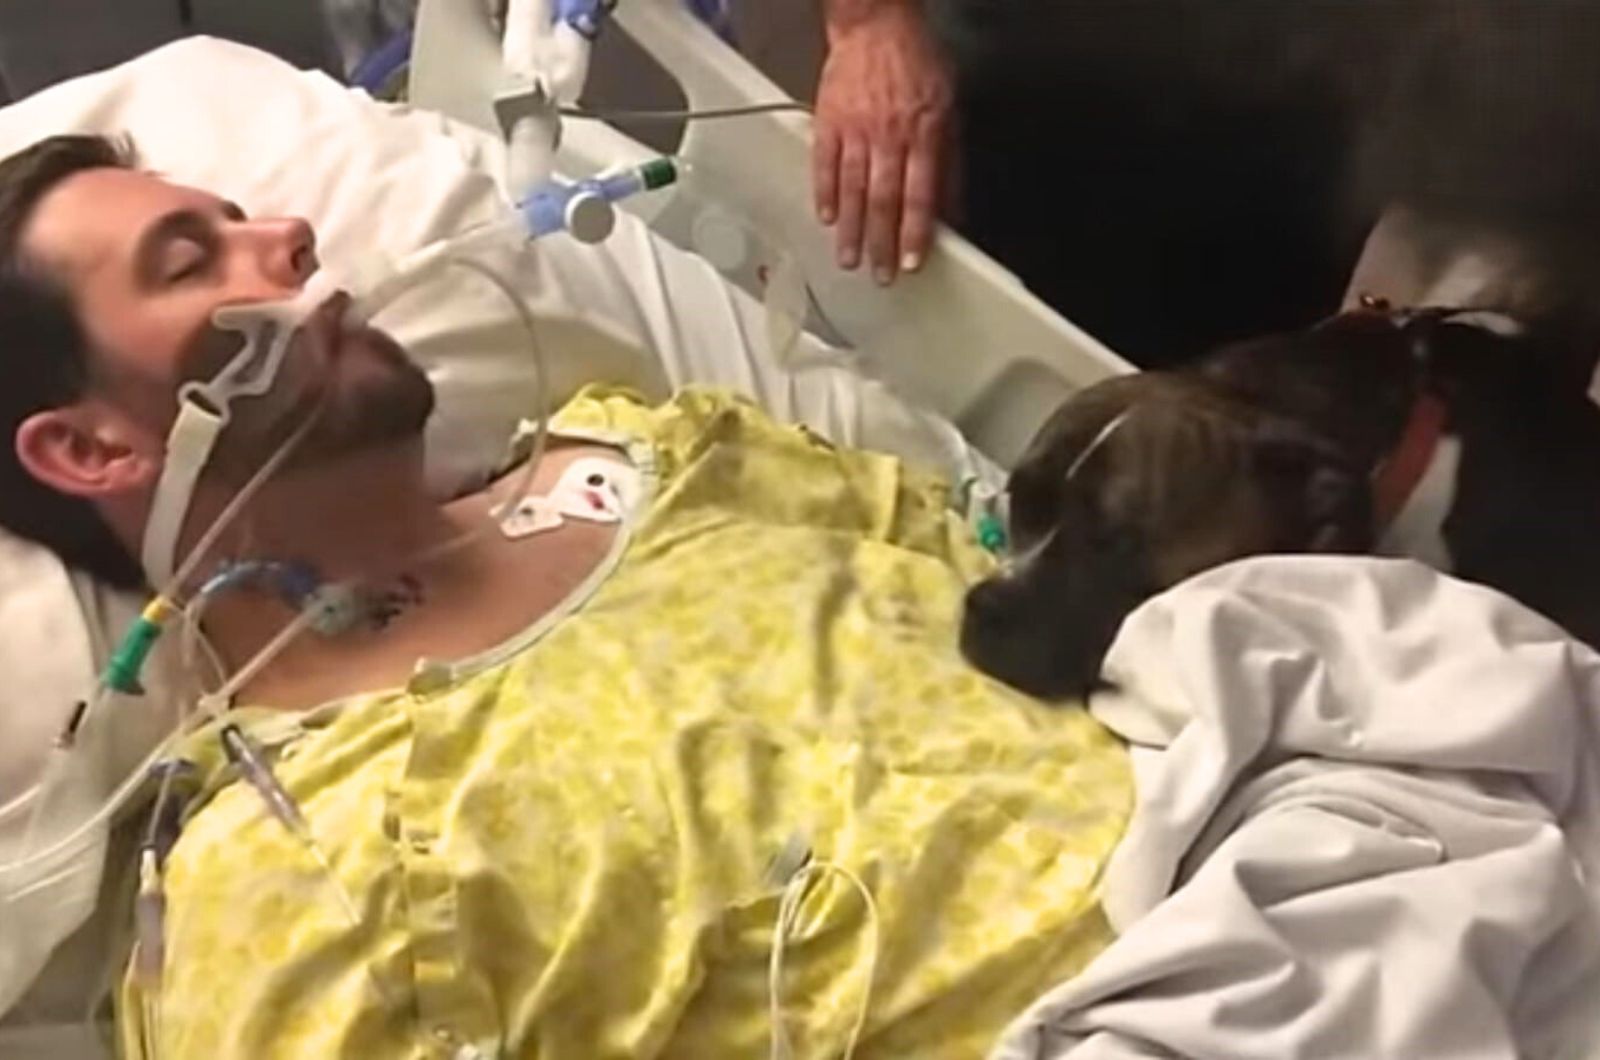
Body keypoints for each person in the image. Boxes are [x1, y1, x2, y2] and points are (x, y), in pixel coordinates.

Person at [0, 134, 1127, 1057]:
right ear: (92, 449)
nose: (286, 237)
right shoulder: (302, 886)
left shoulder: (672, 449)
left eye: (242, 214)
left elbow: (1081, 607)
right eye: (190, 261)